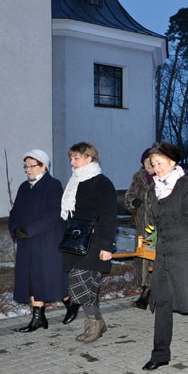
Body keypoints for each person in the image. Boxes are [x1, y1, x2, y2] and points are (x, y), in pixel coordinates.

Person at [142, 142, 188, 371]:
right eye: (153, 164)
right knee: (162, 303)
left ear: (173, 162)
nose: (156, 168)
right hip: (164, 255)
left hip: (186, 254)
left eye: (160, 163)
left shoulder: (186, 185)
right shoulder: (155, 188)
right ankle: (160, 354)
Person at [9, 149, 72, 332]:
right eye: (26, 166)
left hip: (47, 240)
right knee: (31, 278)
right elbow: (15, 212)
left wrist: (29, 230)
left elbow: (54, 214)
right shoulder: (24, 187)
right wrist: (15, 229)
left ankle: (71, 304)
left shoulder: (53, 185)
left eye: (32, 166)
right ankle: (38, 318)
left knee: (50, 278)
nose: (28, 170)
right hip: (26, 241)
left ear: (43, 166)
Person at [60, 142, 117, 343]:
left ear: (89, 158)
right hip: (76, 242)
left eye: (76, 158)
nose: (72, 162)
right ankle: (95, 323)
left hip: (95, 243)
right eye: (71, 158)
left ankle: (95, 324)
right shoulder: (74, 182)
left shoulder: (102, 183)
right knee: (86, 286)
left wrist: (107, 246)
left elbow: (109, 217)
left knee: (82, 285)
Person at [124, 148, 155, 310]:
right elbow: (128, 198)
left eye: (152, 161)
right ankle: (145, 290)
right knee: (142, 259)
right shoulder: (138, 177)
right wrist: (132, 202)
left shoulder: (163, 178)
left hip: (158, 227)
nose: (149, 164)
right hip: (142, 226)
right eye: (146, 161)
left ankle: (150, 292)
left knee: (155, 260)